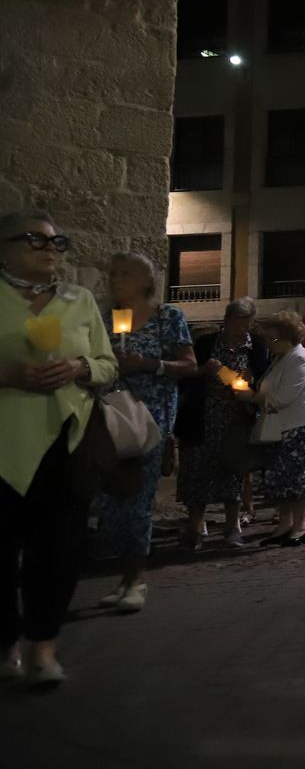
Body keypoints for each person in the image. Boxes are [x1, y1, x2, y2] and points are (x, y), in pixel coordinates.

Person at [0, 210, 119, 686]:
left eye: (59, 242)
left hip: (64, 442)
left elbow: (108, 365)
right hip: (5, 444)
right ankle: (4, 643)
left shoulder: (78, 300)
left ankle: (42, 647)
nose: (52, 249)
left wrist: (80, 368)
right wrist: (10, 375)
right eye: (37, 240)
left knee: (58, 552)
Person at [95, 252, 197, 613]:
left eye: (125, 273)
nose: (116, 279)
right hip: (110, 414)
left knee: (137, 495)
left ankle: (136, 579)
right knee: (111, 497)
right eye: (114, 272)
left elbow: (188, 365)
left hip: (149, 420)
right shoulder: (109, 318)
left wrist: (149, 365)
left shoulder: (167, 317)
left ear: (146, 281)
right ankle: (123, 577)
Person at [177, 298, 267, 550]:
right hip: (203, 416)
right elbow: (187, 376)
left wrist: (252, 382)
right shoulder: (207, 344)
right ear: (226, 321)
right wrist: (204, 371)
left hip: (236, 418)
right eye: (237, 324)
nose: (241, 331)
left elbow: (264, 379)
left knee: (233, 472)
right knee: (197, 470)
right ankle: (196, 527)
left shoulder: (256, 347)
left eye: (246, 325)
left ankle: (232, 527)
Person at [239, 311, 305, 546]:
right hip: (282, 425)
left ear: (288, 337)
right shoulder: (281, 357)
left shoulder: (299, 358)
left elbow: (284, 396)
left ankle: (300, 524)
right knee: (281, 477)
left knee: (295, 477)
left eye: (273, 339)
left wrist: (252, 397)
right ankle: (285, 523)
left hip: (299, 424)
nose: (269, 344)